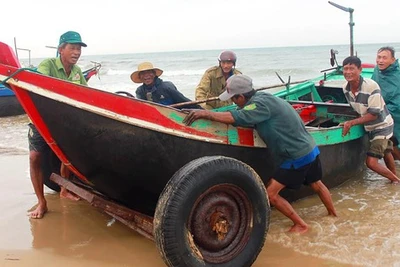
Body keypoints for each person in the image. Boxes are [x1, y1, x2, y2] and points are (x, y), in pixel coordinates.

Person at [183, 74, 337, 234]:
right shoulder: (264, 97)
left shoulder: (258, 106)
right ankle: (333, 215)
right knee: (317, 184)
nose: (233, 102)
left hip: (295, 155)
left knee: (270, 194)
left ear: (241, 96)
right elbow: (245, 112)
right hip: (310, 148)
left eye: (234, 99)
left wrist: (206, 114)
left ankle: (301, 225)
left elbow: (238, 116)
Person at [28, 31, 87, 219]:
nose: (76, 52)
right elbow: (43, 84)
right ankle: (41, 202)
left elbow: (86, 94)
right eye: (72, 48)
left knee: (66, 155)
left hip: (63, 121)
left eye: (79, 48)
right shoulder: (48, 64)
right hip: (41, 118)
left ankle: (63, 189)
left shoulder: (77, 72)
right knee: (35, 157)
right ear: (61, 49)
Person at [341, 56, 400, 184]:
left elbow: (373, 114)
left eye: (352, 68)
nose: (348, 72)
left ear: (360, 70)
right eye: (345, 69)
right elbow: (357, 109)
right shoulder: (345, 88)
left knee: (371, 163)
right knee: (387, 151)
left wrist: (351, 122)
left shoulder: (371, 86)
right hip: (370, 127)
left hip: (382, 125)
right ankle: (394, 179)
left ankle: (396, 181)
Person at [371, 46, 400, 160]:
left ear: (393, 60)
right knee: (390, 143)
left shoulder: (397, 75)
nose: (381, 60)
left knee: (395, 140)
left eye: (384, 58)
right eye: (379, 57)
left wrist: (382, 112)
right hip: (381, 110)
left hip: (395, 112)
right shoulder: (376, 70)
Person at [131, 62, 200, 109]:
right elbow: (142, 108)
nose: (146, 75)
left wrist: (202, 111)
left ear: (154, 74)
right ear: (140, 77)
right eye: (143, 73)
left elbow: (184, 102)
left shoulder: (166, 87)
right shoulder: (140, 91)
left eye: (149, 72)